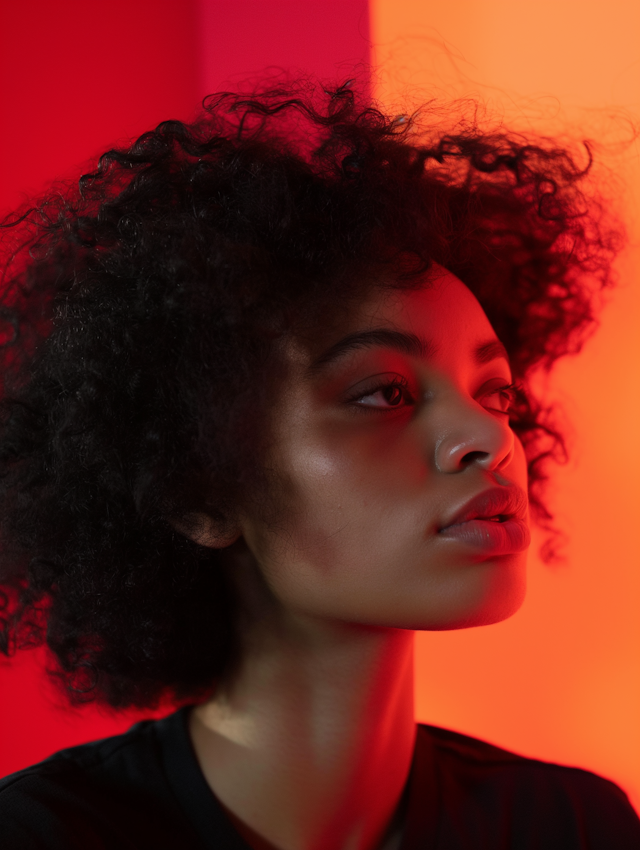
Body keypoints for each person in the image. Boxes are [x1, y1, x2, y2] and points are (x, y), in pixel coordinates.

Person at [0, 79, 638, 850]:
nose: (487, 436)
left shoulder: (571, 829)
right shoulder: (43, 838)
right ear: (199, 491)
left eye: (496, 392)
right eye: (385, 393)